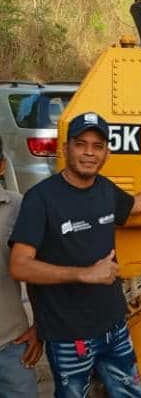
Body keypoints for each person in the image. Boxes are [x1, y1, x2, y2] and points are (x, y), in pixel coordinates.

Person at [8, 112, 141, 397]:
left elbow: (138, 205)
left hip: (114, 327)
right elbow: (20, 265)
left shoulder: (105, 189)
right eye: (81, 144)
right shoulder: (41, 199)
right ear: (66, 147)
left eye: (97, 146)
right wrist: (83, 273)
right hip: (70, 337)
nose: (89, 153)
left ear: (106, 152)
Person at [0, 138, 41, 398]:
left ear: (2, 166)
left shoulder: (19, 207)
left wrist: (40, 326)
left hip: (11, 346)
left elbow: (41, 270)